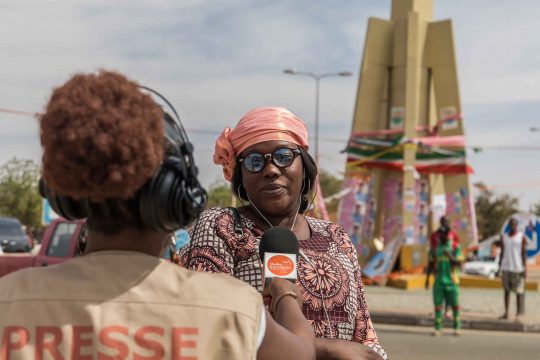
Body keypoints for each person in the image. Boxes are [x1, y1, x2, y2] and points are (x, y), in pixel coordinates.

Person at [0, 71, 316, 360]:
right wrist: (283, 290)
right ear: (176, 194)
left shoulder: (8, 301)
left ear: (64, 195)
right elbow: (301, 352)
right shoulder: (232, 308)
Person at [180, 107, 388, 360]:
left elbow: (364, 334)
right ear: (241, 176)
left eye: (283, 156)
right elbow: (208, 323)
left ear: (305, 166)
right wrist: (323, 349)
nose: (270, 169)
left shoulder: (336, 236)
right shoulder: (221, 225)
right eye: (255, 161)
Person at [425, 224, 464, 336]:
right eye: (439, 234)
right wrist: (427, 280)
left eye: (443, 233)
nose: (441, 236)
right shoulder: (434, 249)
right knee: (438, 306)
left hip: (452, 281)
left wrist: (450, 255)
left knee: (455, 305)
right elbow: (430, 265)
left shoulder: (455, 246)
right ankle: (438, 329)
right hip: (438, 282)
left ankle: (457, 328)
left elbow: (460, 264)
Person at [496, 218, 527, 321]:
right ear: (509, 225)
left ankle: (518, 314)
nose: (513, 226)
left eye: (515, 224)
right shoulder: (504, 237)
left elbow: (523, 253)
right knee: (506, 291)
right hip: (506, 267)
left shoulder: (521, 237)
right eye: (511, 224)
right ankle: (506, 313)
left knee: (519, 291)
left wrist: (524, 268)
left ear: (517, 225)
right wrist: (499, 267)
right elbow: (502, 253)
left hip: (518, 268)